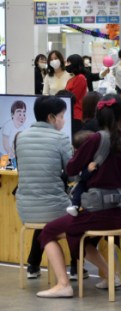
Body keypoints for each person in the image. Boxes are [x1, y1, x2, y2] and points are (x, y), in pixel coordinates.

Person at [35, 94, 121, 298]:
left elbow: (72, 167)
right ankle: (111, 276)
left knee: (47, 232)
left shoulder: (95, 139)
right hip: (120, 215)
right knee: (85, 238)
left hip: (96, 214)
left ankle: (63, 284)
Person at [14, 96, 74, 280]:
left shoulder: (21, 137)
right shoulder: (61, 138)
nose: (63, 120)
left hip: (25, 209)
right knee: (78, 215)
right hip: (54, 207)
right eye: (62, 115)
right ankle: (77, 269)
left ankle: (33, 265)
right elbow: (72, 173)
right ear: (51, 117)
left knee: (47, 211)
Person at [66, 130, 96, 216]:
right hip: (87, 185)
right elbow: (83, 176)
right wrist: (88, 171)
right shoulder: (84, 160)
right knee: (80, 186)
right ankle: (75, 206)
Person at [65, 54, 88, 136]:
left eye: (69, 63)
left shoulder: (80, 78)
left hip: (77, 114)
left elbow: (74, 96)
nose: (67, 65)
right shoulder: (70, 79)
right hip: (69, 112)